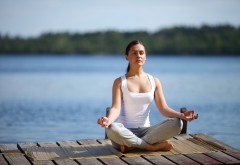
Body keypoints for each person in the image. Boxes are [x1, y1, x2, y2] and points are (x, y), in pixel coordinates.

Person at [97, 40, 198, 153]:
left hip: (148, 132)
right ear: (127, 57)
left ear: (145, 57)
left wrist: (182, 115)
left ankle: (133, 146)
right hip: (124, 132)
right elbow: (115, 108)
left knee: (177, 123)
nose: (138, 56)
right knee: (112, 128)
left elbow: (163, 109)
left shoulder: (154, 81)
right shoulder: (120, 82)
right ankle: (150, 147)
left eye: (141, 53)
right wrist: (108, 120)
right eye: (134, 53)